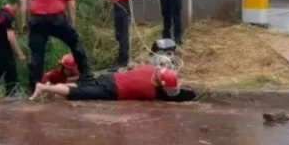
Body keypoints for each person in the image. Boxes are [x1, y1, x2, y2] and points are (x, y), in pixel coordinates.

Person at [20, 0, 91, 92]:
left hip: (36, 19)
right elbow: (71, 6)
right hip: (56, 19)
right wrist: (72, 26)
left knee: (36, 54)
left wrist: (24, 21)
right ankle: (86, 76)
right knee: (75, 43)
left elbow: (23, 0)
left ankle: (34, 86)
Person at [29, 64, 196, 102]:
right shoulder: (149, 92)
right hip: (112, 89)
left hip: (111, 78)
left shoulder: (148, 68)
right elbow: (166, 98)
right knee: (78, 94)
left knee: (81, 87)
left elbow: (132, 68)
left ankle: (51, 89)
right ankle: (43, 87)